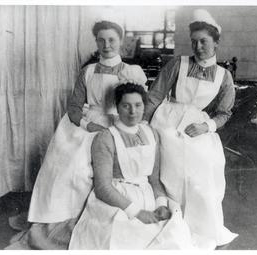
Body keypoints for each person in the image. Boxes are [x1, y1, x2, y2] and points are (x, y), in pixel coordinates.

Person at [6, 10, 147, 249]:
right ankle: (60, 224)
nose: (106, 45)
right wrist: (88, 125)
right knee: (70, 167)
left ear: (120, 41)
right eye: (101, 40)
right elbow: (73, 107)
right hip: (89, 125)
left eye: (111, 40)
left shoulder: (132, 71)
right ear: (96, 42)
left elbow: (137, 106)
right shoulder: (88, 71)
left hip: (120, 124)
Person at [143, 9, 238, 249]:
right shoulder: (178, 63)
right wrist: (142, 125)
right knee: (169, 151)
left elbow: (224, 113)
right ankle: (169, 213)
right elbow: (155, 95)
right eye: (194, 42)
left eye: (203, 41)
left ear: (216, 43)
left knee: (202, 164)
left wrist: (206, 126)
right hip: (168, 118)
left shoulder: (224, 77)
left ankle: (198, 225)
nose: (197, 47)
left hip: (197, 125)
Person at [69, 83, 193, 249]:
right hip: (117, 200)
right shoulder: (106, 137)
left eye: (138, 105)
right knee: (126, 238)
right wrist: (137, 213)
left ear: (144, 106)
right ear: (117, 108)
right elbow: (102, 187)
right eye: (126, 106)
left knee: (173, 233)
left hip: (147, 196)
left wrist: (161, 205)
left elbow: (154, 179)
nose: (133, 111)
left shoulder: (152, 133)